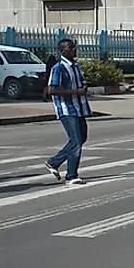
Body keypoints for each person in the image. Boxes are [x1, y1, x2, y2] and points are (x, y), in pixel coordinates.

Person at [42, 38, 91, 185]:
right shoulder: (59, 68)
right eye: (70, 48)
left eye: (74, 47)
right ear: (63, 50)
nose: (74, 50)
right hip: (67, 109)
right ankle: (71, 175)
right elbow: (52, 90)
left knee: (81, 138)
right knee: (75, 141)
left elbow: (80, 83)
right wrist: (76, 91)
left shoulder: (75, 66)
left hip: (79, 108)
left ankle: (54, 162)